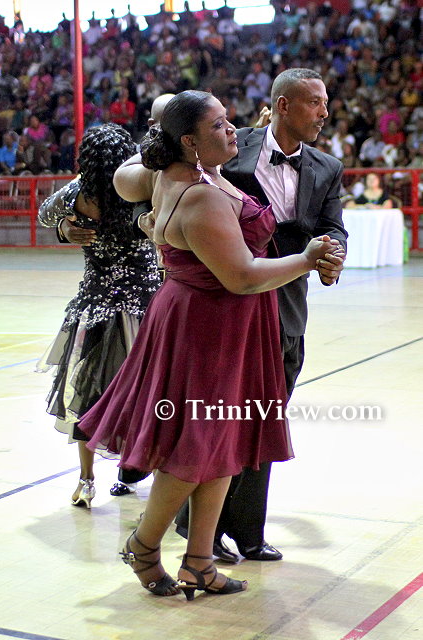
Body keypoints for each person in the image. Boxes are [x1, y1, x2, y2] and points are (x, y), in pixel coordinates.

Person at [78, 90, 339, 599]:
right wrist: (307, 260)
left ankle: (199, 562)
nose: (232, 129)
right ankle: (144, 545)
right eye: (218, 125)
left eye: (228, 120)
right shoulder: (198, 193)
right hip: (207, 326)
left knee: (224, 444)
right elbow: (241, 276)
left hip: (226, 322)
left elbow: (138, 184)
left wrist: (153, 220)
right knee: (195, 447)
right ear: (188, 142)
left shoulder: (198, 175)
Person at [175, 68, 347, 563]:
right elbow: (165, 180)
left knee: (265, 421)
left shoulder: (328, 167)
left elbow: (333, 226)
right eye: (315, 102)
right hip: (227, 304)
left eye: (326, 102)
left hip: (287, 309)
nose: (325, 112)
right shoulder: (230, 146)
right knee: (216, 421)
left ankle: (248, 532)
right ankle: (196, 527)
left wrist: (333, 255)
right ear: (284, 105)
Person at [36, 124, 161, 507]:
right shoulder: (140, 192)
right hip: (145, 304)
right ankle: (150, 474)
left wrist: (64, 226)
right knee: (151, 394)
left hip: (95, 306)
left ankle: (86, 480)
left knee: (87, 395)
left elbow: (44, 214)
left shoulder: (77, 194)